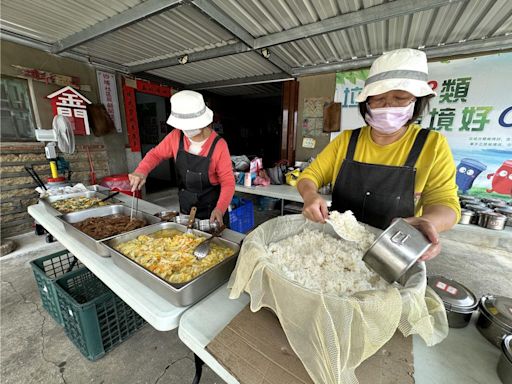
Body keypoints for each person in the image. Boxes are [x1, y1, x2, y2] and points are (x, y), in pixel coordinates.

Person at [297, 48, 461, 260]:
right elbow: (310, 176)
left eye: (400, 98)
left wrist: (430, 222)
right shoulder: (347, 140)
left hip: (393, 253)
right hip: (336, 248)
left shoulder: (433, 145)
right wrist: (310, 195)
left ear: (417, 101)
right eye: (378, 99)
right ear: (366, 103)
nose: (388, 106)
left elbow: (446, 202)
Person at [129, 90, 235, 224]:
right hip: (186, 205)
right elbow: (156, 154)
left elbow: (228, 182)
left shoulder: (219, 145)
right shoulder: (175, 136)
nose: (187, 130)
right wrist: (141, 171)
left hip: (212, 208)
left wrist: (220, 208)